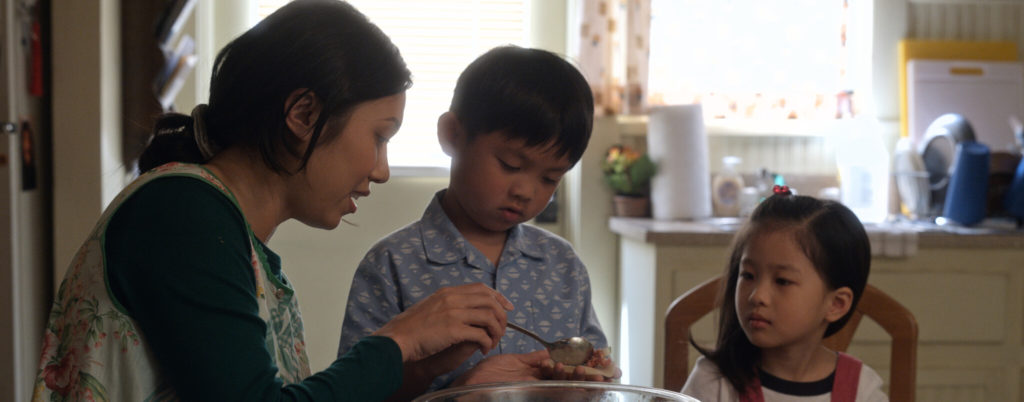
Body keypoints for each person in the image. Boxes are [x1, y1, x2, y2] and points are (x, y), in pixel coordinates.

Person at [31, 1, 532, 401]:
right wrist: (397, 339)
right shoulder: (181, 212)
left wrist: (424, 369)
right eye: (379, 137)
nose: (380, 170)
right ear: (303, 113)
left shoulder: (226, 231)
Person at [336, 45, 613, 397]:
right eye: (511, 165)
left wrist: (587, 384)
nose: (525, 190)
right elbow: (354, 393)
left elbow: (596, 371)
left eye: (550, 178)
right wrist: (460, 390)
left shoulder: (562, 265)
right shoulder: (392, 264)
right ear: (453, 134)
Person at [681, 186, 888, 402]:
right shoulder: (714, 382)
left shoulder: (861, 391)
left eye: (782, 281)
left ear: (836, 304)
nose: (757, 296)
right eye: (748, 275)